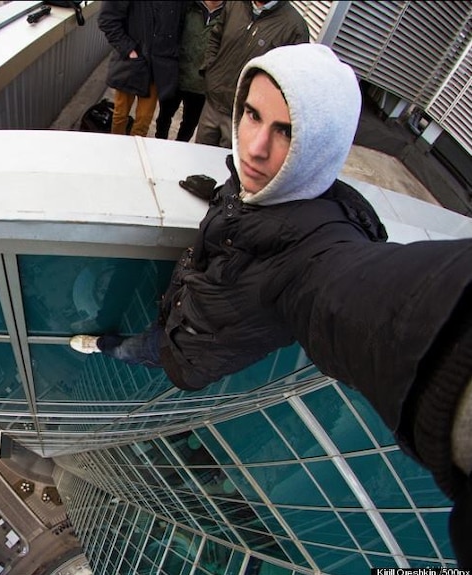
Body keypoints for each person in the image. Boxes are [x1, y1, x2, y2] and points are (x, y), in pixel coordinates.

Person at [69, 43, 472, 566]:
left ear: (320, 150)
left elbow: (370, 298)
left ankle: (103, 344)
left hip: (186, 357)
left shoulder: (317, 256)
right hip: (185, 311)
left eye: (286, 132)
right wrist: (222, 193)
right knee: (151, 331)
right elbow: (254, 205)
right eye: (252, 115)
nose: (255, 146)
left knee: (134, 350)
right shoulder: (258, 182)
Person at [194, 0, 308, 148]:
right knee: (199, 155)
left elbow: (290, 80)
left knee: (228, 164)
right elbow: (216, 37)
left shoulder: (294, 27)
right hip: (213, 103)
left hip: (245, 116)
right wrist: (211, 71)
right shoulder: (235, 5)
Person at [98, 1, 184, 137]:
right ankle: (115, 148)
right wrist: (129, 50)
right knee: (120, 115)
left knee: (143, 121)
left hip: (157, 66)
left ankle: (136, 153)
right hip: (130, 64)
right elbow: (107, 20)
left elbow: (180, 26)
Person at [154, 1, 225, 142]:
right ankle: (159, 145)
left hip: (201, 84)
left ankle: (180, 150)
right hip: (176, 75)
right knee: (163, 117)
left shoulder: (229, 13)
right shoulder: (188, 6)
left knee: (189, 124)